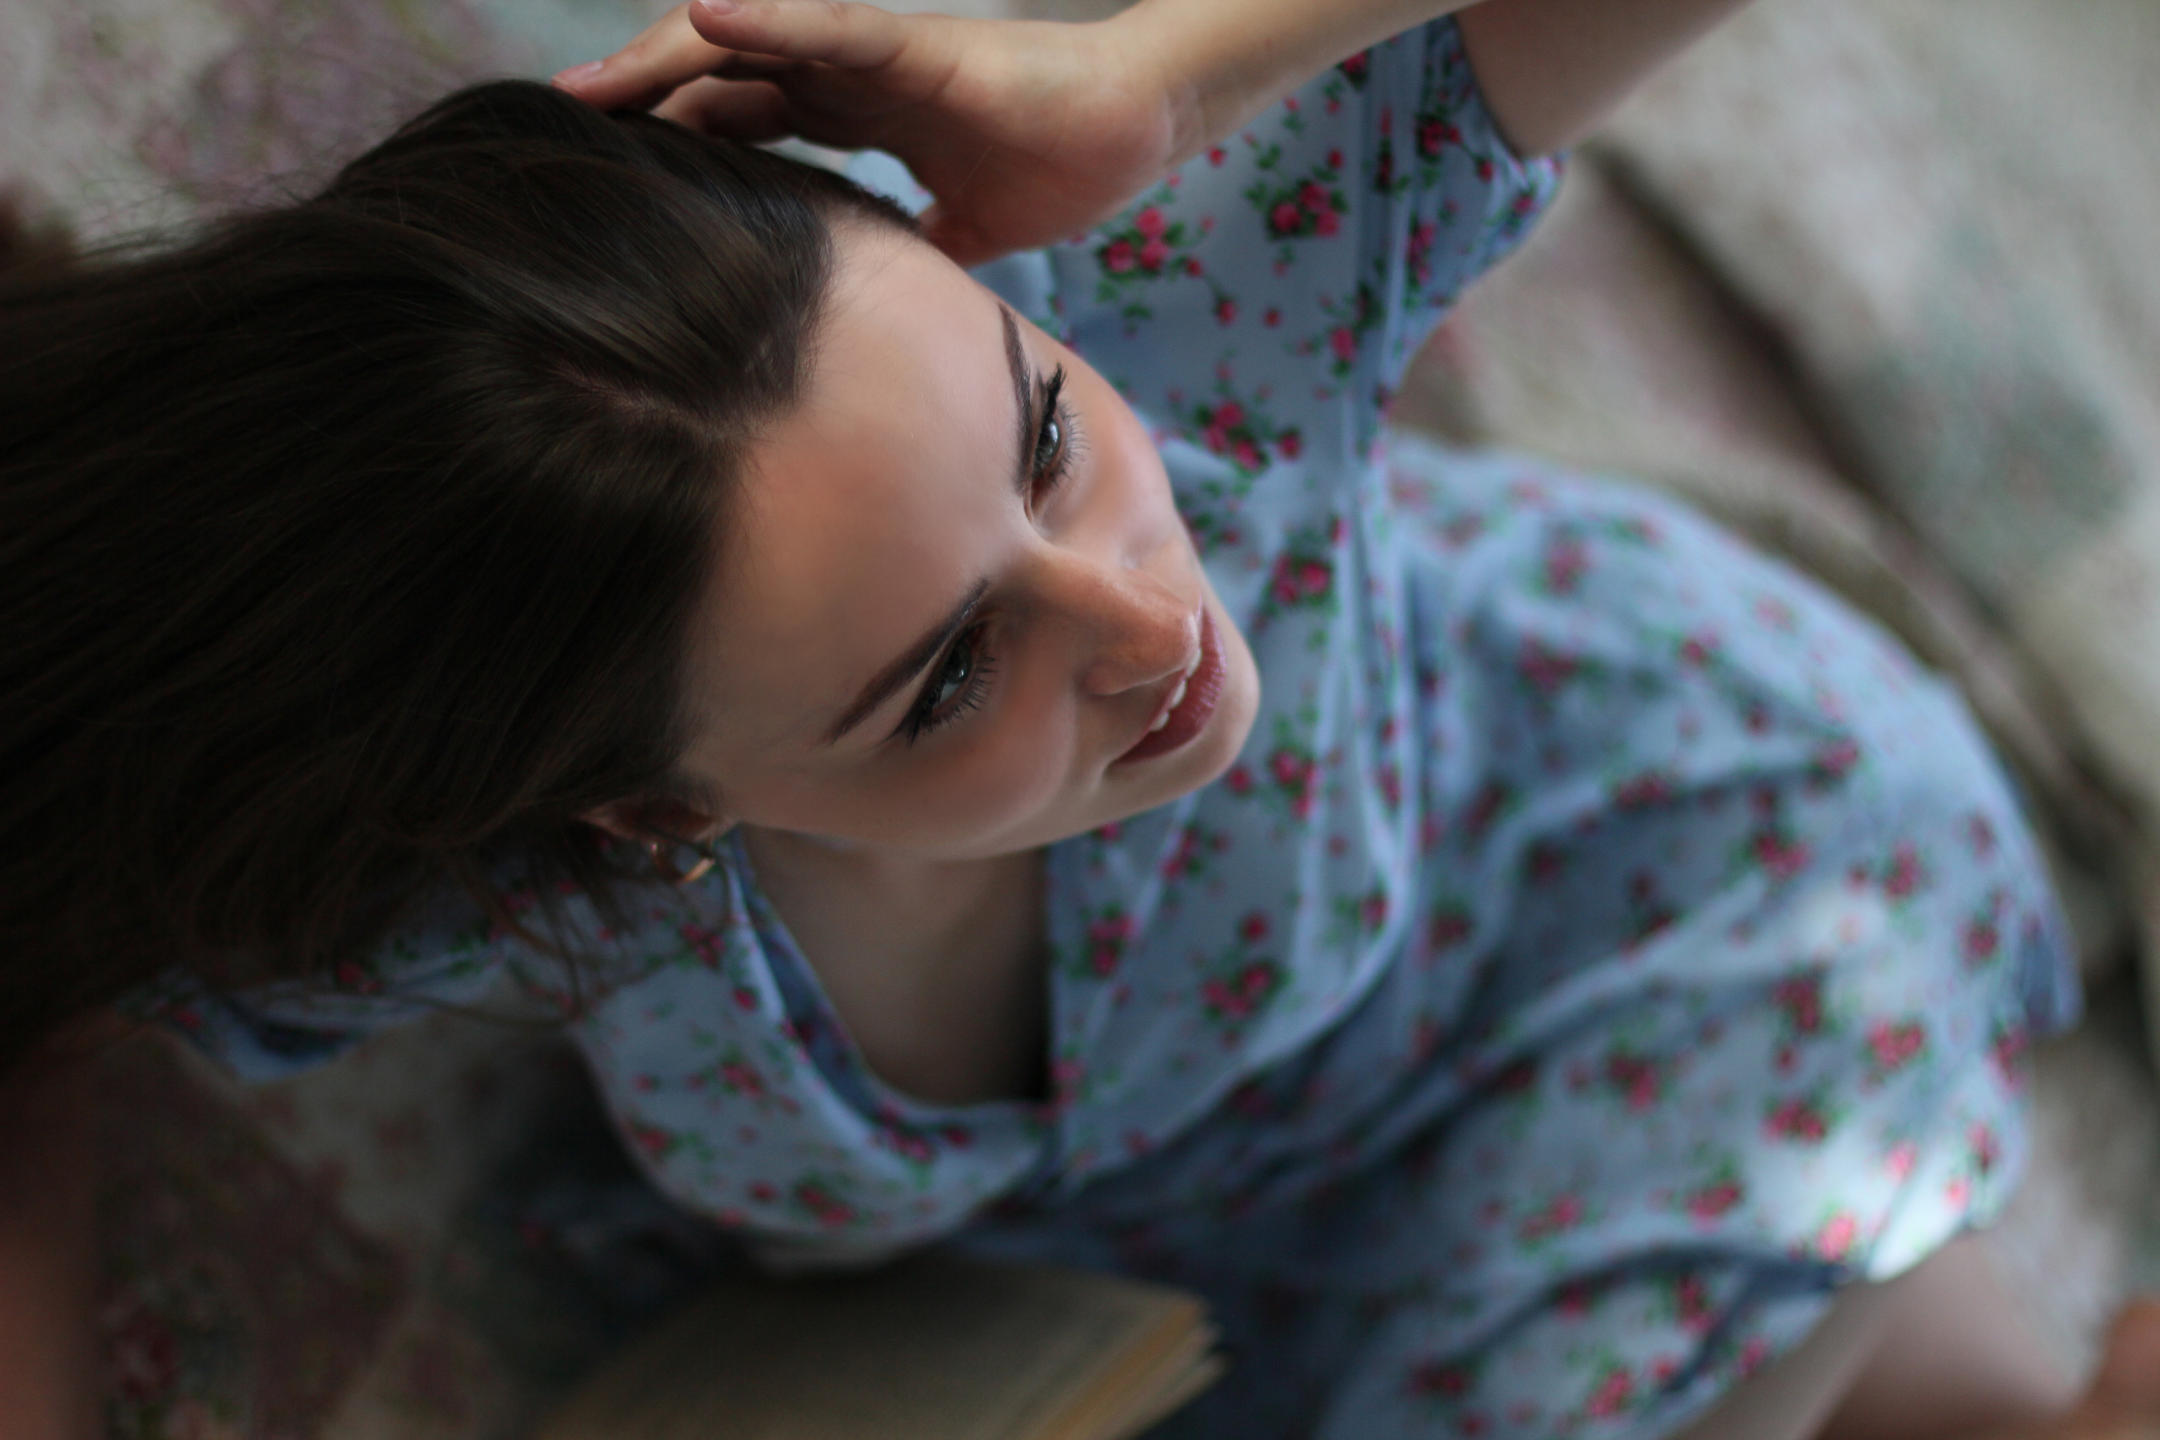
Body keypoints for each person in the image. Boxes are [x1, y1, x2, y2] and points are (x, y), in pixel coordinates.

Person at [2, 0, 2156, 1435]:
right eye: (949, 674)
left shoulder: (1203, 319)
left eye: (1044, 435)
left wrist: (1163, 74)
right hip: (1252, 1224)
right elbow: (38, 982)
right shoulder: (534, 885)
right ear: (650, 807)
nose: (1143, 620)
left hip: (1678, 886)